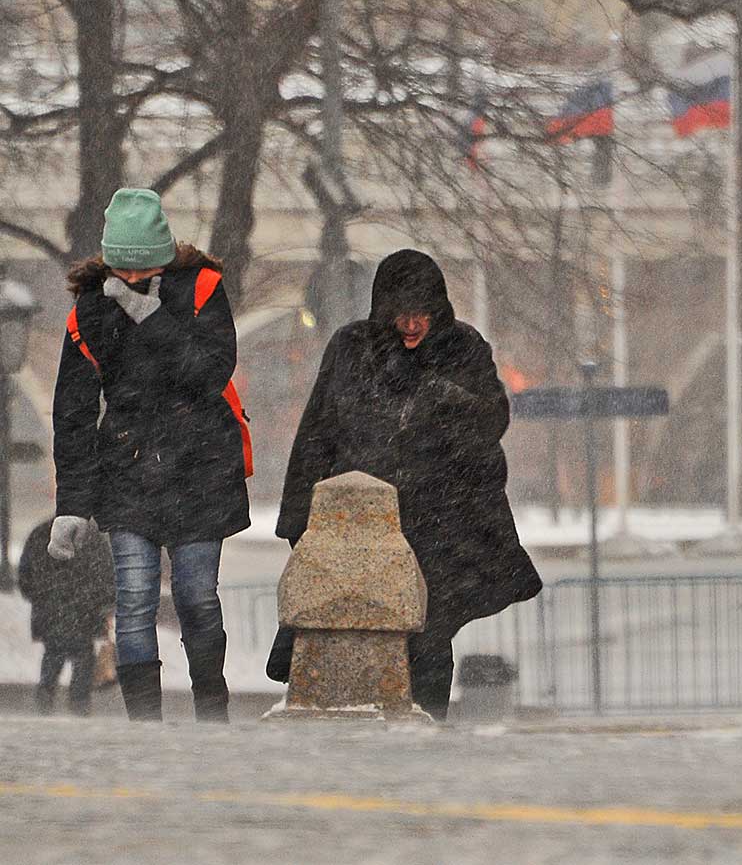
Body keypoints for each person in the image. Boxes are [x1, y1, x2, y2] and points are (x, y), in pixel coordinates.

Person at [273, 249, 542, 719]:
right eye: (402, 315)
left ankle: (427, 726)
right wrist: (299, 517)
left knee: (429, 633)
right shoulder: (351, 348)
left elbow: (491, 419)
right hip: (364, 524)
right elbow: (317, 433)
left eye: (422, 315)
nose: (413, 326)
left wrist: (443, 399)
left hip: (441, 522)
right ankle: (366, 721)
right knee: (356, 624)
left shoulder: (463, 348)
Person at [49, 188, 251, 722]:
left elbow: (210, 373)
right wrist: (71, 504)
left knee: (196, 598)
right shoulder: (87, 313)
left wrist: (151, 316)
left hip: (201, 467)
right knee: (134, 602)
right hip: (128, 469)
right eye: (124, 272)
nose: (133, 282)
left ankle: (212, 709)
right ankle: (145, 724)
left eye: (144, 272)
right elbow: (72, 414)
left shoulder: (204, 289)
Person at [17, 517, 114, 716]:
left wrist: (41, 597)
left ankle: (45, 699)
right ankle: (79, 704)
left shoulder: (42, 533)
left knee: (53, 654)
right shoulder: (92, 537)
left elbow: (25, 575)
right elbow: (107, 575)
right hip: (84, 611)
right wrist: (102, 603)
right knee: (83, 657)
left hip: (51, 610)